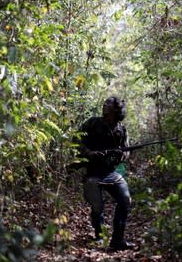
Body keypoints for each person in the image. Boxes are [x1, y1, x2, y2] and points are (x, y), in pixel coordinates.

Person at [76, 96, 135, 250]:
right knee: (97, 206)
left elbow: (126, 149)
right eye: (105, 102)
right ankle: (100, 237)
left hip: (112, 172)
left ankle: (117, 241)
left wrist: (122, 155)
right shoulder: (92, 123)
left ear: (116, 110)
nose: (104, 104)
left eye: (108, 103)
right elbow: (76, 140)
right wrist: (89, 153)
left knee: (125, 200)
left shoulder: (121, 129)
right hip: (93, 172)